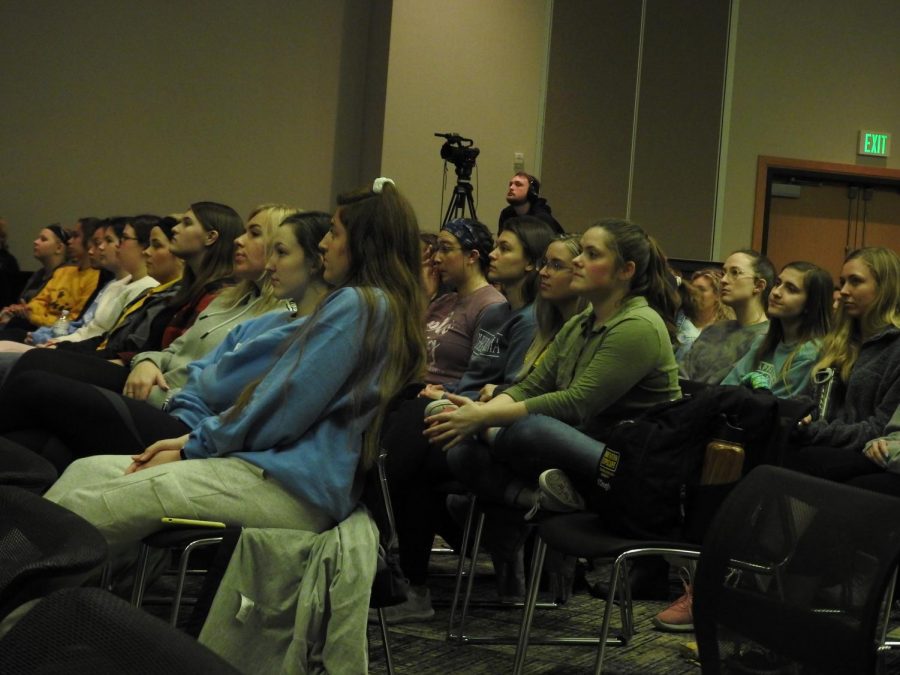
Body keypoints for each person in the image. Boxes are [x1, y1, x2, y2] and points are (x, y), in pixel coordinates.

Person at [35, 180, 427, 565]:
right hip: (268, 469)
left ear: (365, 243)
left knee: (91, 505)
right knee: (85, 471)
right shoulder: (378, 305)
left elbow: (283, 407)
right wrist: (191, 440)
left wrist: (192, 446)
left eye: (335, 233)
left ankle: (24, 611)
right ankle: (58, 609)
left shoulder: (361, 304)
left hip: (290, 486)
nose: (325, 244)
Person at [124, 205, 306, 408]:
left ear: (279, 248)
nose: (238, 240)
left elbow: (227, 393)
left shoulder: (283, 317)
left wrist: (163, 398)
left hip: (182, 413)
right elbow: (174, 350)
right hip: (155, 393)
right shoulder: (225, 299)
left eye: (254, 234)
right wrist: (146, 362)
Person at [790, 247, 900, 479]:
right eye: (842, 282)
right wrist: (800, 413)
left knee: (807, 459)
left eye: (856, 282)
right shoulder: (839, 340)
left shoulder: (895, 348)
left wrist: (812, 431)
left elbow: (878, 428)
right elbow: (812, 399)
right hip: (824, 441)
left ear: (884, 288)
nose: (844, 291)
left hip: (865, 452)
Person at [722, 261, 833, 398]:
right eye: (777, 283)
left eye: (791, 289)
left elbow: (770, 406)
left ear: (810, 304)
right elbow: (725, 389)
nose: (776, 292)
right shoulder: (762, 342)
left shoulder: (810, 352)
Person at [424, 218, 505, 386]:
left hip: (447, 399)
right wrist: (425, 297)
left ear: (472, 256)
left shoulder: (490, 305)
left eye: (445, 249)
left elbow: (481, 376)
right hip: (415, 388)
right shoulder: (442, 301)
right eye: (438, 249)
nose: (437, 258)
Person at [679, 250, 774, 385]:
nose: (723, 280)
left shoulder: (768, 338)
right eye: (724, 273)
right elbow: (681, 377)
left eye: (735, 272)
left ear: (758, 286)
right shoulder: (713, 330)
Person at [0, 224, 70, 320]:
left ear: (59, 248)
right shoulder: (39, 274)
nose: (35, 242)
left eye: (43, 239)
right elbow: (22, 303)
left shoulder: (67, 278)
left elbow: (57, 314)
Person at [497, 172, 563, 234]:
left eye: (518, 184)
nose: (511, 188)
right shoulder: (506, 214)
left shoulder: (541, 218)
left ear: (531, 192)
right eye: (510, 184)